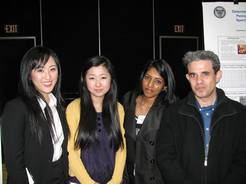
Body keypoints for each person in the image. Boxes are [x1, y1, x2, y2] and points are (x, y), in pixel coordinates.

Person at [156, 50, 246, 184]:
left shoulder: (239, 113)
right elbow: (165, 158)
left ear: (218, 75)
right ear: (187, 78)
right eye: (193, 75)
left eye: (205, 74)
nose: (199, 81)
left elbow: (242, 159)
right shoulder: (173, 113)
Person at [1, 46, 69, 184]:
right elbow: (14, 164)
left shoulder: (59, 106)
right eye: (40, 70)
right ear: (29, 74)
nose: (48, 76)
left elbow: (61, 150)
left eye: (52, 69)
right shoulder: (16, 108)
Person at [66, 56, 126, 184]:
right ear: (84, 80)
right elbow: (71, 151)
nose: (98, 84)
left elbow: (121, 148)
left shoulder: (118, 108)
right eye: (92, 78)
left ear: (111, 79)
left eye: (103, 78)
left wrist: (115, 181)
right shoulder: (74, 108)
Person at [121, 59, 177, 184]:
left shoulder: (170, 109)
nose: (150, 85)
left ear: (165, 86)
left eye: (157, 81)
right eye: (147, 77)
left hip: (155, 177)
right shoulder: (127, 100)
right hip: (128, 176)